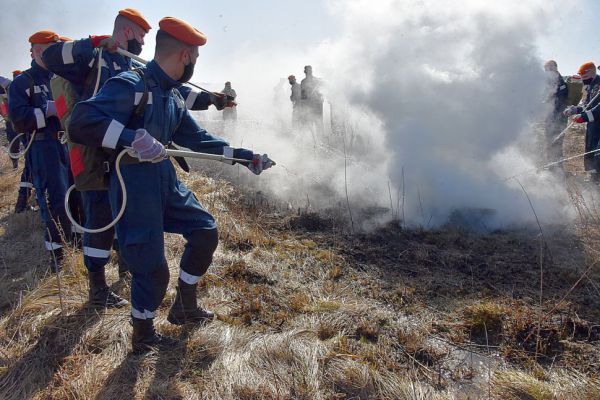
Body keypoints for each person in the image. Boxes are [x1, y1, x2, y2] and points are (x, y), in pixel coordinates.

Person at [69, 16, 274, 352]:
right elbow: (81, 120)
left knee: (205, 230)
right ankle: (143, 336)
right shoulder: (131, 83)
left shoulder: (172, 95)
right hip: (133, 182)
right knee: (152, 269)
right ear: (185, 56)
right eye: (194, 57)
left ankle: (184, 306)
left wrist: (244, 156)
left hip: (164, 179)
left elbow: (198, 138)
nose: (194, 63)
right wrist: (130, 137)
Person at [8, 30, 71, 271]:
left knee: (72, 195)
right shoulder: (24, 82)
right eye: (41, 50)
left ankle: (72, 241)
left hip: (66, 143)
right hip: (43, 145)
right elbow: (17, 118)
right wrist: (46, 111)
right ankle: (56, 257)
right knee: (53, 198)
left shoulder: (60, 78)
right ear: (33, 52)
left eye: (50, 50)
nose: (46, 55)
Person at [2, 70, 34, 212]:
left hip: (18, 124)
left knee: (29, 159)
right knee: (29, 159)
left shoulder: (10, 85)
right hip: (16, 124)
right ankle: (23, 202)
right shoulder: (10, 86)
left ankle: (23, 201)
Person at [564, 62, 600, 178]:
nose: (583, 80)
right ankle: (592, 176)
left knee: (597, 154)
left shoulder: (597, 84)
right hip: (593, 124)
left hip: (597, 122)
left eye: (585, 77)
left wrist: (583, 117)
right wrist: (575, 109)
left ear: (592, 73)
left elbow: (598, 109)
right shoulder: (592, 86)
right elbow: (587, 105)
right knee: (590, 149)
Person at [543, 60, 568, 161]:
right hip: (550, 118)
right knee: (549, 142)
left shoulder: (561, 83)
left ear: (554, 68)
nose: (546, 73)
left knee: (556, 143)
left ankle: (557, 168)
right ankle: (551, 165)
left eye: (547, 70)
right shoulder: (551, 82)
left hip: (558, 118)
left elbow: (559, 102)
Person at [300, 65, 324, 135]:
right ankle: (309, 141)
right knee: (308, 124)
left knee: (318, 124)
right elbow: (303, 95)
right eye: (307, 70)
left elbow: (321, 92)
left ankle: (321, 141)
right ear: (305, 71)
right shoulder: (303, 82)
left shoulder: (317, 80)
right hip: (308, 106)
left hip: (317, 105)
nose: (308, 71)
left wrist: (320, 99)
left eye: (309, 70)